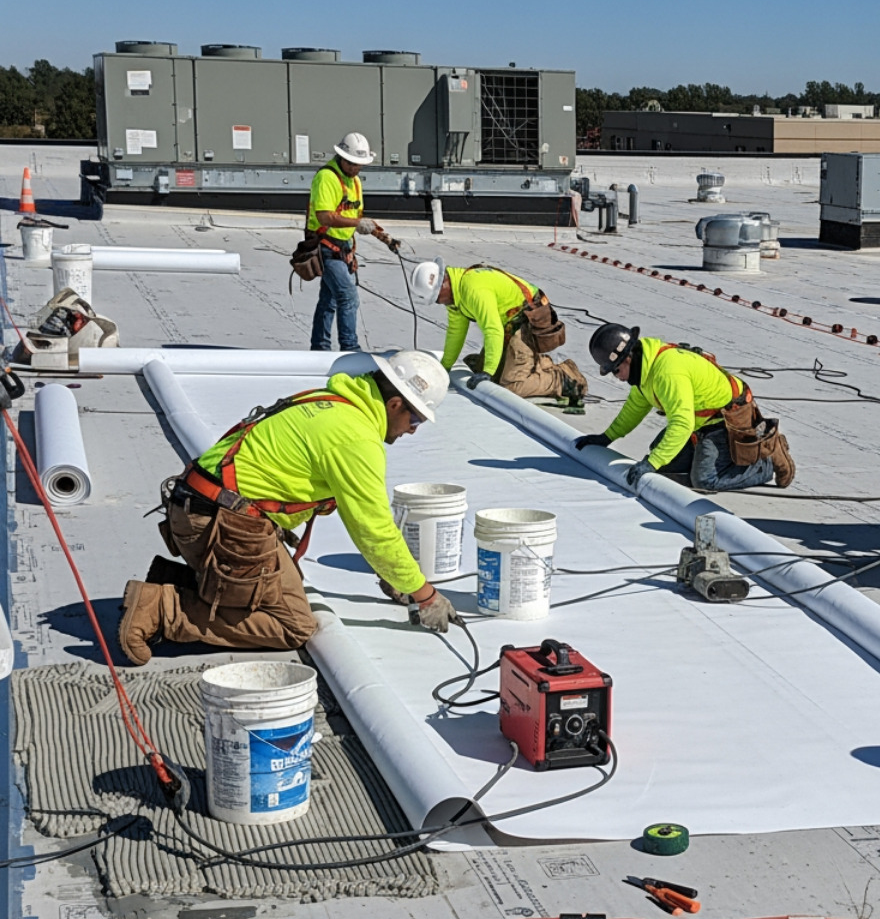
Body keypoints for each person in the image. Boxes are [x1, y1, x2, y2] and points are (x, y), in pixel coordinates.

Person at [119, 351, 459, 664]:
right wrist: (425, 595)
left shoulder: (327, 401)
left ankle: (178, 583)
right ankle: (161, 609)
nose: (412, 432)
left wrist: (393, 573)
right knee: (292, 623)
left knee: (275, 591)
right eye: (415, 421)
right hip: (218, 524)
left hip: (197, 508)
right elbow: (374, 530)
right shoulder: (356, 437)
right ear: (396, 404)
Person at [573, 323, 794, 491]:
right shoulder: (644, 370)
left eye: (615, 370)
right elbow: (635, 408)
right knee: (663, 459)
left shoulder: (667, 372)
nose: (616, 377)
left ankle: (765, 460)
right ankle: (704, 456)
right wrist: (607, 437)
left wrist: (653, 462)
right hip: (701, 422)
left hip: (725, 419)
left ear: (627, 358)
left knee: (704, 480)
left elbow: (682, 423)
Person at [408, 259, 587, 401]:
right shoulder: (455, 297)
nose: (439, 302)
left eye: (437, 297)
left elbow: (492, 330)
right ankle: (531, 363)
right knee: (484, 373)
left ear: (444, 282)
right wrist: (444, 368)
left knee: (511, 386)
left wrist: (488, 372)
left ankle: (564, 379)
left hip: (528, 319)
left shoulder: (473, 289)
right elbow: (456, 333)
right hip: (507, 324)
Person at [307, 132, 398, 352]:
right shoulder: (327, 177)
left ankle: (319, 348)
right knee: (348, 297)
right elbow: (324, 216)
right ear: (342, 158)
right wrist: (357, 223)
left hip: (342, 249)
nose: (356, 168)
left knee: (329, 301)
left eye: (360, 164)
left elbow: (355, 217)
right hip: (324, 247)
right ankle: (350, 349)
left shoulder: (355, 181)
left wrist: (381, 236)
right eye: (353, 164)